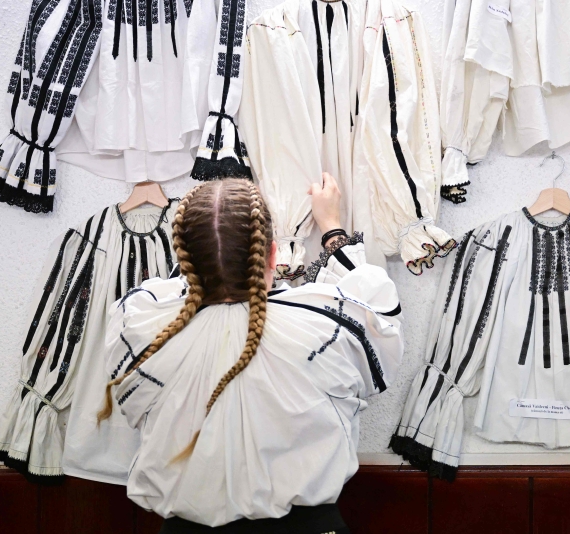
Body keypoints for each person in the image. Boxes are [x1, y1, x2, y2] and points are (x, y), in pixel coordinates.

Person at [100, 173, 403, 532]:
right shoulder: (324, 329)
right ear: (273, 252)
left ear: (184, 260)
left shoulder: (141, 330)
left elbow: (165, 294)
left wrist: (209, 256)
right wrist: (332, 229)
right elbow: (377, 313)